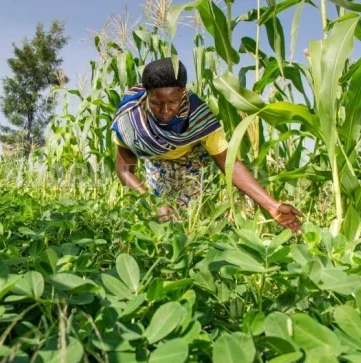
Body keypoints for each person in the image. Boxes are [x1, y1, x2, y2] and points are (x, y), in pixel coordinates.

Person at [111, 58, 302, 233]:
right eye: (156, 103)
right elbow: (124, 170)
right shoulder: (130, 120)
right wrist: (153, 203)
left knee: (193, 222)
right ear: (146, 95)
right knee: (161, 223)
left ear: (183, 93)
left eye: (173, 102)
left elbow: (230, 164)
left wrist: (272, 205)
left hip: (194, 160)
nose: (165, 110)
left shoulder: (199, 118)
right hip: (157, 165)